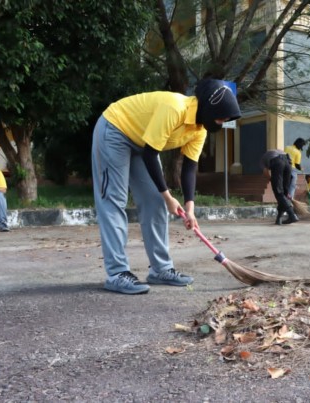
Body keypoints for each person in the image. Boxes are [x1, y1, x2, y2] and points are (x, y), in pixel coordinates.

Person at [92, 78, 241, 294]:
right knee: (113, 199)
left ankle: (160, 269)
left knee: (155, 202)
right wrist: (169, 196)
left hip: (141, 141)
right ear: (208, 108)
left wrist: (189, 207)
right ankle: (117, 273)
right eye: (221, 116)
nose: (223, 120)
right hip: (116, 129)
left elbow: (190, 168)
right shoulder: (174, 108)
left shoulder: (199, 130)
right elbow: (152, 154)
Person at [260, 150, 299, 225]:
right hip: (288, 162)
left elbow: (265, 172)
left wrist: (272, 180)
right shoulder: (274, 152)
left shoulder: (262, 160)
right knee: (284, 194)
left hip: (277, 162)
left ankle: (292, 215)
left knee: (279, 192)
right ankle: (279, 219)